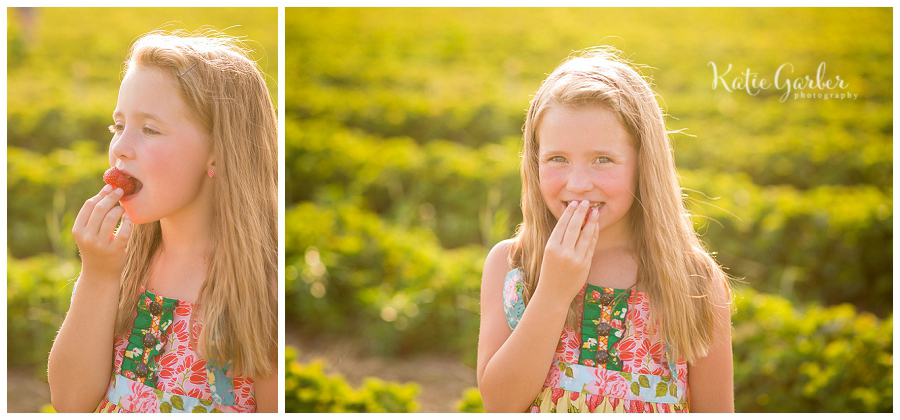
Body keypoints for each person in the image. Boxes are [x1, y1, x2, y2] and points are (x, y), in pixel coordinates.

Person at [476, 47, 734, 413]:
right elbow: (499, 405)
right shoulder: (512, 266)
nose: (578, 184)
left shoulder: (694, 282)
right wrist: (553, 292)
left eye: (603, 160)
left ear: (644, 165)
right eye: (557, 159)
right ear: (534, 162)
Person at [48, 30, 278, 413]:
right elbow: (70, 403)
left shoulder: (262, 291)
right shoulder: (123, 267)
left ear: (219, 152)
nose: (120, 148)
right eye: (118, 126)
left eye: (149, 129)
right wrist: (97, 275)